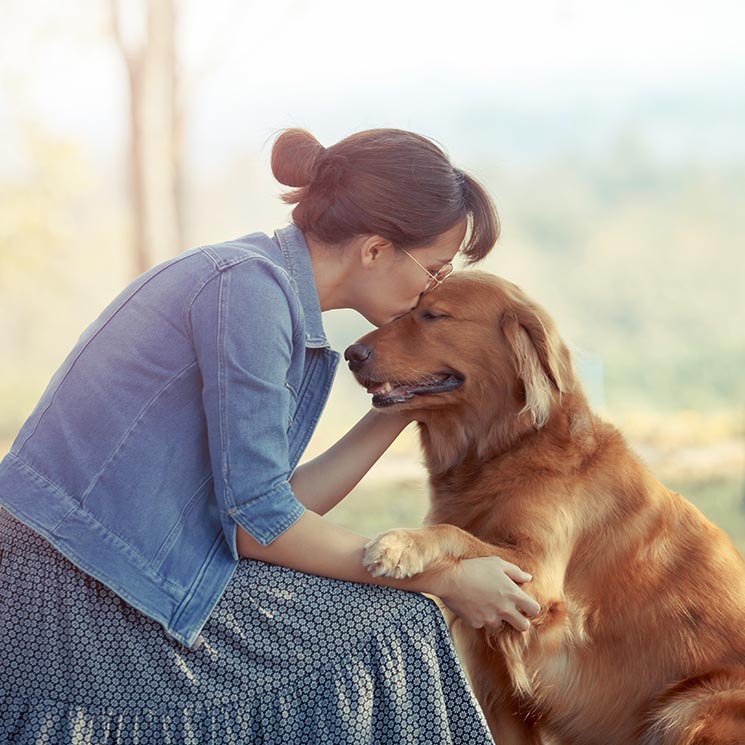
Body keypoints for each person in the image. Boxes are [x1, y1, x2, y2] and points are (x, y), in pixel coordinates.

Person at [0, 127, 541, 744]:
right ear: (375, 249)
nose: (431, 291)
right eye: (435, 269)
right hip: (71, 595)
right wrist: (443, 577)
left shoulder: (264, 289)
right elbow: (257, 527)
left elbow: (272, 505)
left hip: (129, 570)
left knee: (385, 620)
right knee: (395, 626)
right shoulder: (247, 291)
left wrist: (399, 406)